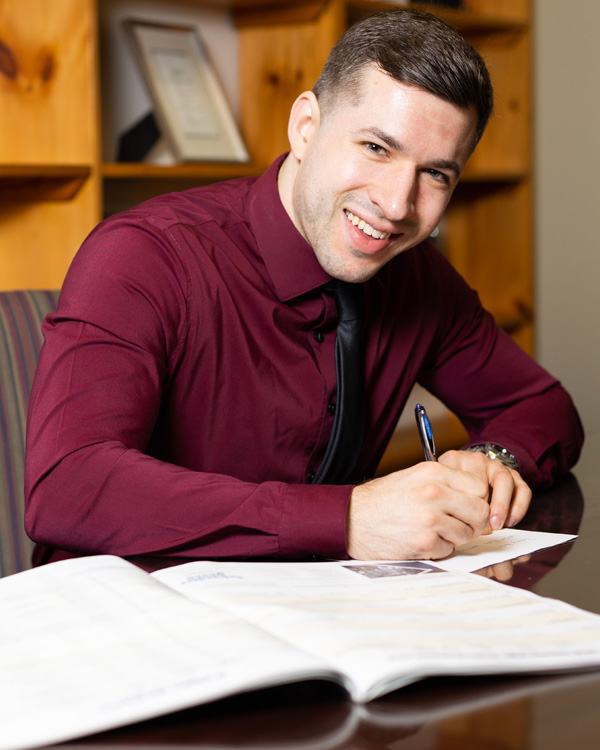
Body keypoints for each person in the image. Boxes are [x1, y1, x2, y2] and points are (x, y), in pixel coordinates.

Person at [24, 9, 583, 567]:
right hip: (128, 622)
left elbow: (542, 405)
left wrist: (493, 457)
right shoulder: (145, 255)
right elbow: (68, 485)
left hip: (320, 618)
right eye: (376, 148)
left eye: (435, 174)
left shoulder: (417, 278)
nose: (395, 205)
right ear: (306, 127)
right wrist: (346, 521)